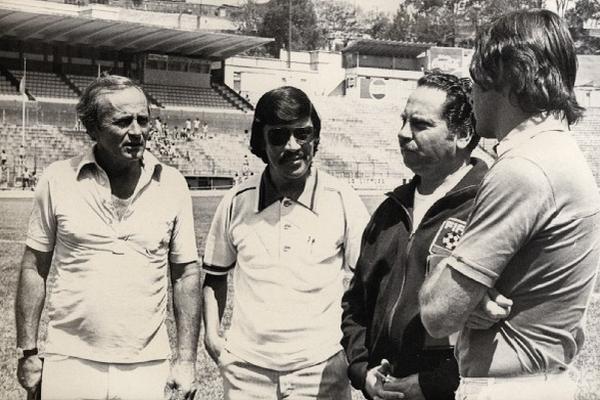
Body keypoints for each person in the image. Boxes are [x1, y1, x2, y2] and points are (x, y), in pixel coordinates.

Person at [420, 10, 600, 400]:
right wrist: (464, 292)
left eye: (477, 78)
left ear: (507, 75)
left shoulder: (523, 168)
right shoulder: (558, 153)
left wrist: (448, 282)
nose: (471, 92)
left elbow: (437, 314)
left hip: (508, 388)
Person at [15, 74, 201, 400]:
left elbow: (186, 276)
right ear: (93, 128)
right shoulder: (57, 180)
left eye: (143, 120)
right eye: (122, 121)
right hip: (70, 359)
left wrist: (186, 360)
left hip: (146, 364)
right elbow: (34, 268)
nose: (137, 132)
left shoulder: (172, 184)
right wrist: (28, 352)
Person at [342, 72, 506, 400]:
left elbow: (502, 323)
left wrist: (434, 383)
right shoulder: (389, 211)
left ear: (461, 134)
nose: (403, 133)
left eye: (420, 124)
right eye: (403, 120)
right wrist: (363, 370)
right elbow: (356, 303)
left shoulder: (490, 207)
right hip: (384, 391)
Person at [202, 86, 370, 400]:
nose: (292, 146)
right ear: (260, 142)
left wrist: (350, 351)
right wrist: (212, 336)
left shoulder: (342, 199)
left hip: (321, 369)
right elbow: (214, 278)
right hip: (247, 373)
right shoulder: (236, 201)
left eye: (302, 134)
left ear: (315, 138)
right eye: (278, 136)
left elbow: (368, 283)